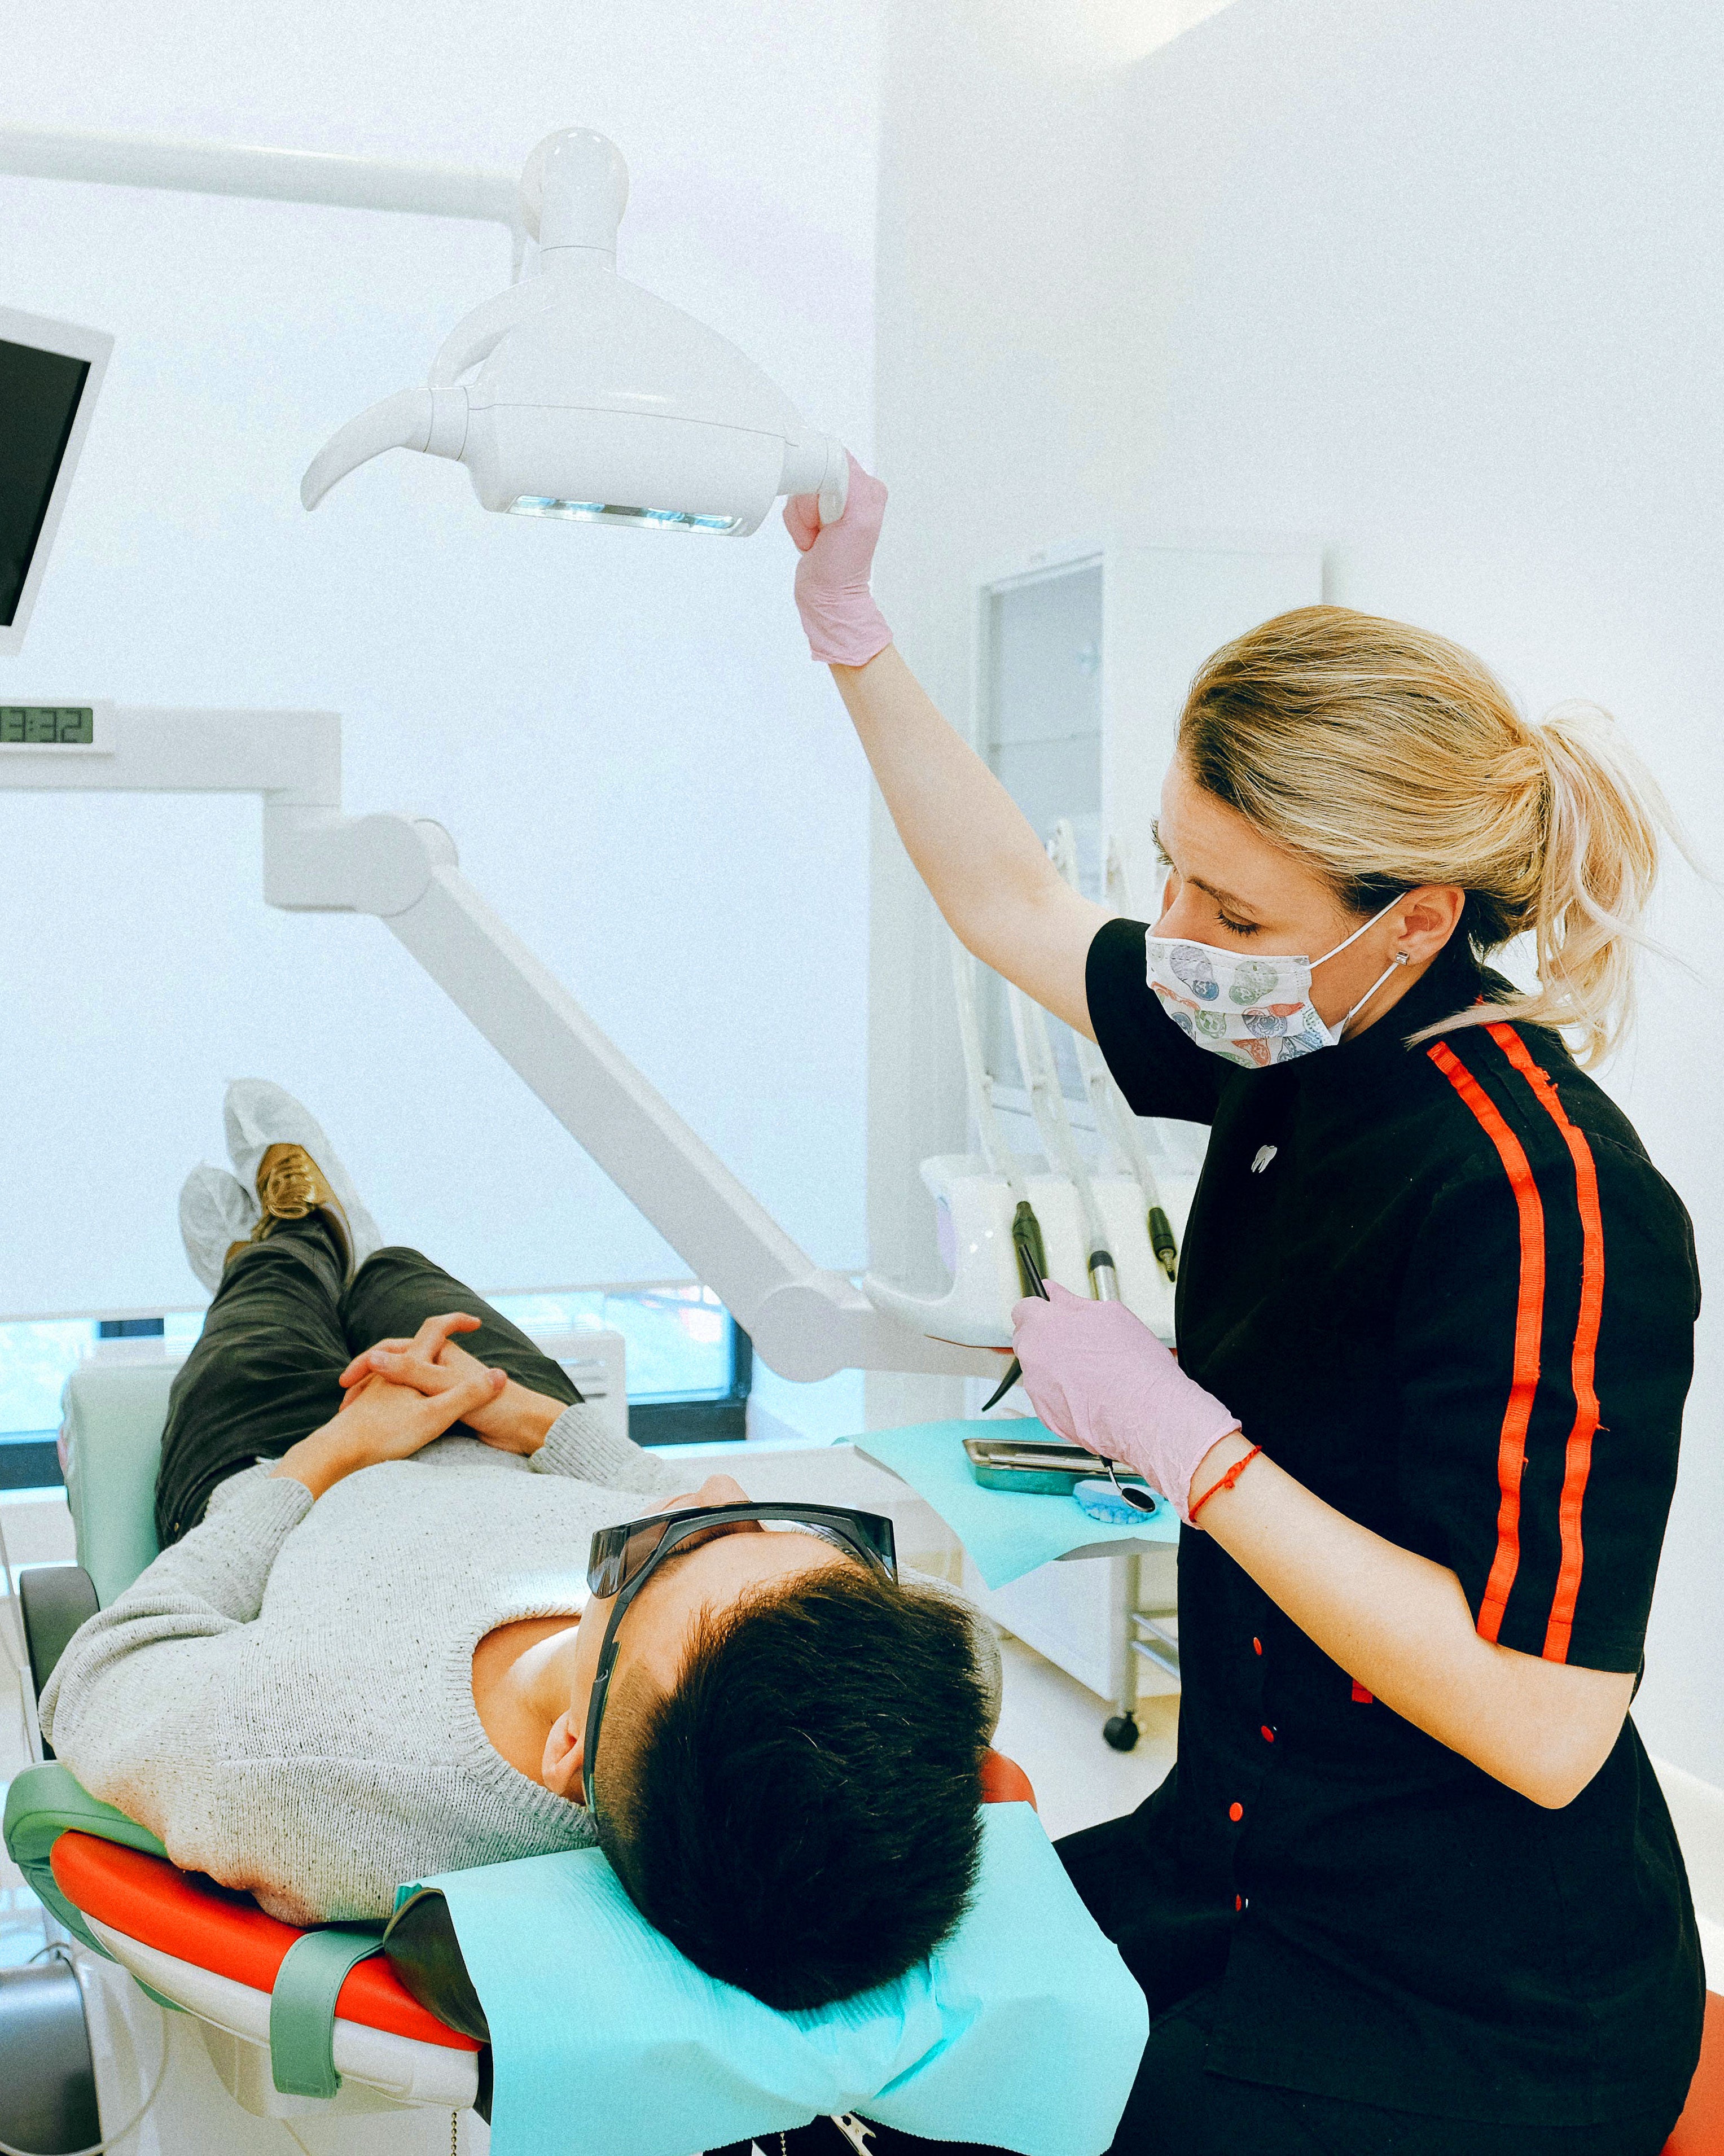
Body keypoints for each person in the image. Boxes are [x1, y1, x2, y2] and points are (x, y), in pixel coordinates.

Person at [783, 464, 1704, 2151]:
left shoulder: (1549, 1194)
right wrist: (852, 635)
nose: (1183, 938)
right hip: (1241, 1849)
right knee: (845, 2026)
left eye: (1235, 910)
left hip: (1483, 2000)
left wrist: (1192, 1447)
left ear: (1416, 919)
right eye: (1177, 875)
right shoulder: (1294, 1034)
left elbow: (1551, 1721)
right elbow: (1013, 904)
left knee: (941, 2113)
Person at [42, 1082, 1000, 2012]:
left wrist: (338, 1448)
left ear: (569, 1745)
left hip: (282, 1462)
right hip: (513, 1438)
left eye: (683, 1543)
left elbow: (97, 1678)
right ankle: (358, 1245)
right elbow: (970, 1649)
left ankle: (289, 1240)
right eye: (789, 1530)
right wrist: (532, 1419)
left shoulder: (288, 1770)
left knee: (273, 1298)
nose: (712, 1488)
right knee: (409, 1281)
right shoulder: (796, 1712)